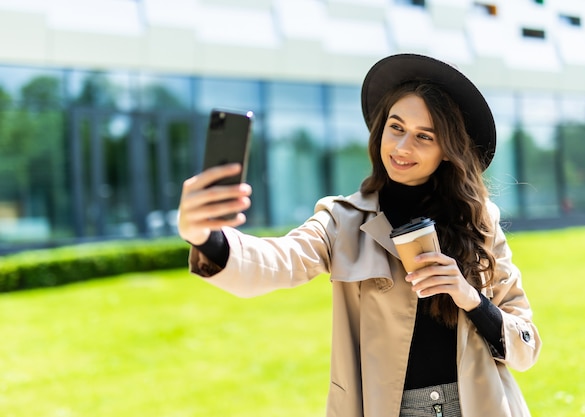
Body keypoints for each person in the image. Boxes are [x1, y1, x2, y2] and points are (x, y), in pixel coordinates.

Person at [178, 54, 541, 417]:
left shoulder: (479, 222)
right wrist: (207, 237)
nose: (401, 148)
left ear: (447, 151)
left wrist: (470, 297)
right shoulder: (341, 220)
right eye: (396, 128)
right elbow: (280, 260)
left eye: (424, 137)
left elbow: (525, 346)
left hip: (482, 405)